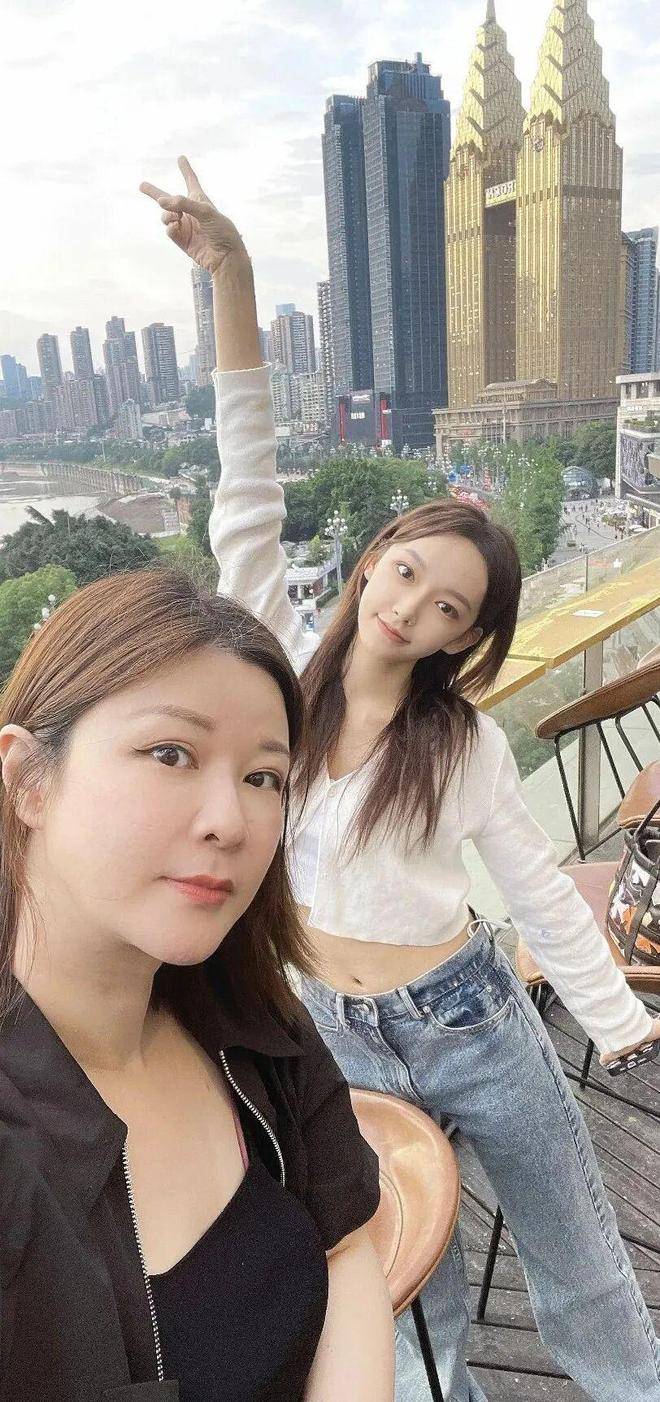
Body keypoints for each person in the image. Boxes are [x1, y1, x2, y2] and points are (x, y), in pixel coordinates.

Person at [141, 159, 660, 1402]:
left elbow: (538, 886)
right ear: (377, 555)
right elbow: (247, 490)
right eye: (410, 570)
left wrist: (621, 1022)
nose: (414, 607)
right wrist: (235, 279)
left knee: (580, 1262)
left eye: (450, 609)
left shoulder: (461, 743)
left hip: (471, 1017)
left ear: (463, 638)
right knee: (400, 1285)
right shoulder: (273, 666)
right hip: (330, 1030)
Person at [0, 568, 394, 1401]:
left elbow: (343, 1236)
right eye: (170, 754)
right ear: (29, 777)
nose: (230, 821)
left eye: (263, 777)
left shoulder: (248, 1017)